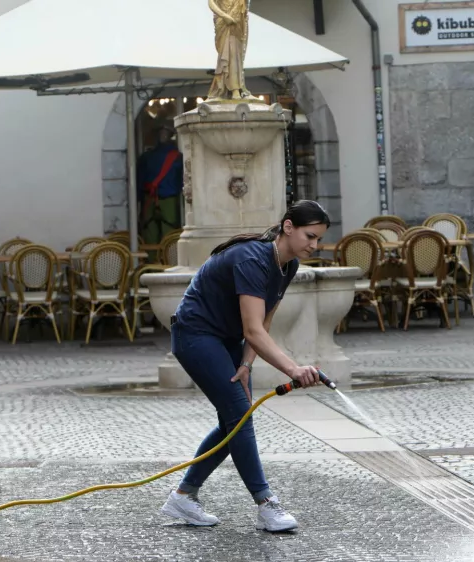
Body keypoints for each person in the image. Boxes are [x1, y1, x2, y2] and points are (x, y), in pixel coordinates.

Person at [159, 200, 330, 532]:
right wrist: (293, 370)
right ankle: (266, 504)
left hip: (226, 339)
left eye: (319, 239)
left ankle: (183, 496)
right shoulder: (251, 258)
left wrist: (247, 363)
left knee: (234, 422)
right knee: (239, 416)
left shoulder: (288, 264)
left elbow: (262, 323)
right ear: (288, 227)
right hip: (195, 334)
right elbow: (252, 330)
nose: (314, 245)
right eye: (310, 236)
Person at [137, 127, 184, 244]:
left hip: (150, 199)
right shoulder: (178, 157)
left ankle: (152, 256)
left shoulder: (146, 157)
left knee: (151, 234)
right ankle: (168, 255)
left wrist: (139, 199)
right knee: (169, 236)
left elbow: (139, 182)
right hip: (168, 200)